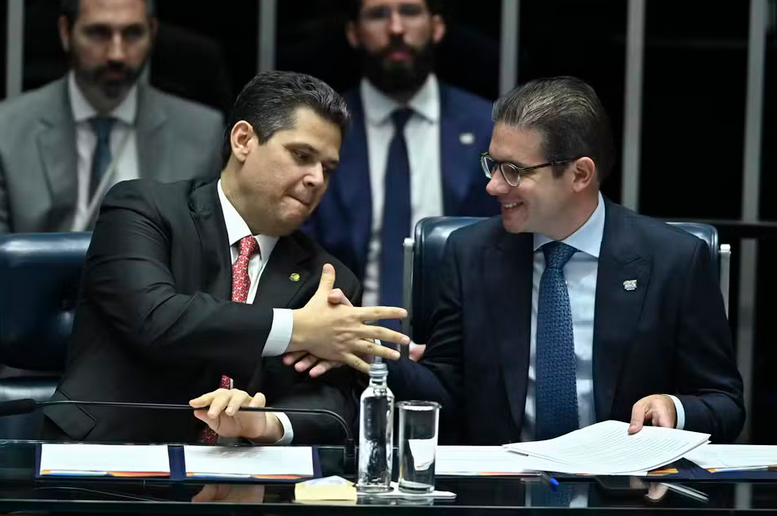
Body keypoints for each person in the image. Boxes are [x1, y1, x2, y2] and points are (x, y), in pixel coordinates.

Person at [42, 70, 410, 444]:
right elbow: (156, 319)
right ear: (243, 140)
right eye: (301, 156)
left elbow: (333, 407)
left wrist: (266, 424)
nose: (317, 179)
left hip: (242, 472)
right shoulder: (143, 209)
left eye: (327, 169)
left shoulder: (328, 279)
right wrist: (297, 328)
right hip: (106, 456)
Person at [388, 76, 745, 444]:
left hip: (623, 476)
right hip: (504, 476)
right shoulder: (469, 255)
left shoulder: (673, 260)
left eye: (513, 171)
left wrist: (675, 407)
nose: (493, 185)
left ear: (579, 174)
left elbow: (725, 403)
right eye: (492, 164)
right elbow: (443, 398)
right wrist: (376, 357)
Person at [304, 0, 498, 338]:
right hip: (341, 340)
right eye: (378, 14)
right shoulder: (320, 129)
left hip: (462, 343)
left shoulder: (488, 127)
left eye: (409, 11)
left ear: (437, 27)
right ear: (353, 33)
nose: (396, 28)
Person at [0, 0, 223, 233]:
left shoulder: (201, 136)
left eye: (133, 34)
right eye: (99, 33)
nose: (117, 55)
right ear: (66, 32)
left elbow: (211, 248)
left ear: (152, 33)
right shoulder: (7, 131)